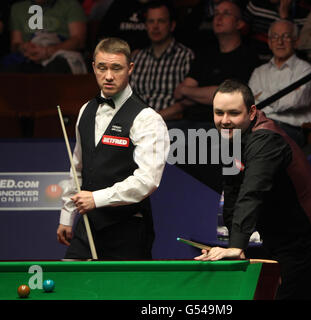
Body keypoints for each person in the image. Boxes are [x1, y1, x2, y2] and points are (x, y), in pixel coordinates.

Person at [195, 79, 311, 300]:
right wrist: (234, 247)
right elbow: (232, 190)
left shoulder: (266, 140)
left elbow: (252, 192)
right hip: (276, 232)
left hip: (305, 234)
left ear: (251, 112)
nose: (224, 121)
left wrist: (238, 245)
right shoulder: (231, 136)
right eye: (219, 113)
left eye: (233, 113)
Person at [56, 37, 170, 260]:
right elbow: (77, 167)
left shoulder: (147, 119)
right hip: (88, 226)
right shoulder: (85, 110)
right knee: (72, 289)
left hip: (127, 228)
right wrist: (67, 215)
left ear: (130, 69)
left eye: (116, 68)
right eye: (102, 67)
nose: (108, 76)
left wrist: (96, 199)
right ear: (93, 68)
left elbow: (148, 180)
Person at [172, 0, 259, 131]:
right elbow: (180, 95)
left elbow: (228, 96)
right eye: (216, 13)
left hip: (222, 126)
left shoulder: (247, 57)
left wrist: (191, 93)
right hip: (189, 122)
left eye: (226, 13)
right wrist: (205, 94)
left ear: (239, 23)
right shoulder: (205, 54)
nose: (218, 17)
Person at [249, 20, 311, 147]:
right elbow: (250, 105)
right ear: (269, 42)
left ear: (296, 42)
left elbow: (295, 102)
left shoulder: (305, 70)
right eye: (275, 37)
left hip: (289, 130)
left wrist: (260, 95)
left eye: (286, 36)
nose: (280, 42)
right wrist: (282, 97)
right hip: (257, 126)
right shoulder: (259, 72)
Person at [130, 0, 194, 121]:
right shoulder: (137, 58)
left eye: (161, 21)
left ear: (172, 25)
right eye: (151, 21)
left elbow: (185, 103)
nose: (155, 27)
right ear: (146, 26)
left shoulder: (185, 56)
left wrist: (153, 119)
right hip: (136, 125)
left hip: (170, 125)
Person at [4, 0, 87, 74]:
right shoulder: (18, 8)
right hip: (28, 55)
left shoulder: (70, 4)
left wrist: (48, 51)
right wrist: (24, 48)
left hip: (61, 53)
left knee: (57, 69)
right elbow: (15, 43)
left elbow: (78, 40)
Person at [244, 0, 311, 63]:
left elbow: (296, 45)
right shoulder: (256, 4)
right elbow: (242, 32)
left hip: (284, 63)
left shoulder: (302, 12)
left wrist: (284, 15)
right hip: (253, 58)